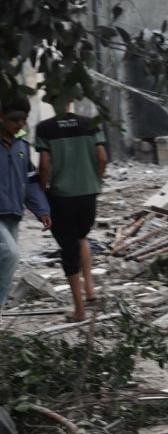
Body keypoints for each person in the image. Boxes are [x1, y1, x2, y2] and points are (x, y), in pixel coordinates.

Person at [35, 98, 107, 322]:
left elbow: (44, 165)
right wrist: (95, 179)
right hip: (88, 192)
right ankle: (90, 291)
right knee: (81, 236)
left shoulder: (45, 128)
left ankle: (79, 310)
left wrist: (43, 189)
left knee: (68, 249)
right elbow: (102, 157)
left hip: (62, 195)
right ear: (71, 100)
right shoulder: (90, 123)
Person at [0, 99, 51, 312]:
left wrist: (42, 209)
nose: (19, 124)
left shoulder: (22, 146)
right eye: (14, 119)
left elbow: (30, 180)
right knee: (11, 255)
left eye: (23, 119)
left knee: (5, 264)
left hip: (12, 213)